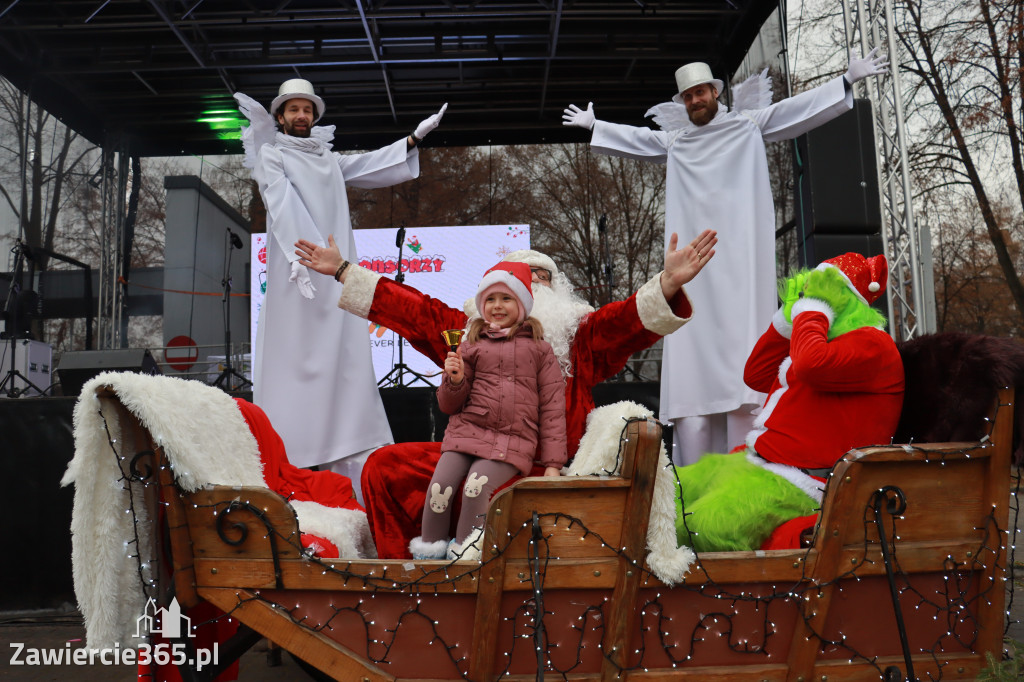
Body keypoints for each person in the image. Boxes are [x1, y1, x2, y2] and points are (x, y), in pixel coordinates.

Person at [295, 229, 717, 558]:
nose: (532, 282)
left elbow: (625, 320)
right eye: (519, 276)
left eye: (542, 277)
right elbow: (413, 310)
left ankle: (462, 559)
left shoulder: (579, 336)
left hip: (548, 469)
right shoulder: (466, 332)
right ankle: (408, 578)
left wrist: (665, 285)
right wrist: (343, 270)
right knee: (386, 466)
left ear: (558, 292)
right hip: (477, 453)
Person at [562, 50, 889, 466]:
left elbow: (798, 110)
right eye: (688, 96)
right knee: (694, 372)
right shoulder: (677, 143)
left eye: (701, 92)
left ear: (715, 92)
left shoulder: (748, 126)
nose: (696, 100)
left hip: (742, 265)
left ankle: (745, 469)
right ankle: (693, 499)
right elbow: (640, 142)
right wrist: (596, 127)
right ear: (683, 102)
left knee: (744, 368)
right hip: (695, 272)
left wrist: (844, 80)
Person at [233, 78, 446, 498]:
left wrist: (412, 139)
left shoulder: (328, 160)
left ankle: (349, 462)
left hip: (335, 275)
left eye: (307, 109)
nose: (301, 116)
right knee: (294, 352)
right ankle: (288, 459)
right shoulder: (272, 155)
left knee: (344, 356)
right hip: (300, 272)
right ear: (279, 117)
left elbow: (367, 166)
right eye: (293, 109)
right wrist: (303, 257)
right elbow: (280, 200)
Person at [674, 253, 905, 552]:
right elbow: (755, 374)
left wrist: (813, 309)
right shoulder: (823, 341)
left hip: (805, 484)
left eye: (821, 288)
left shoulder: (873, 344)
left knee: (696, 528)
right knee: (665, 489)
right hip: (761, 463)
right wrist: (787, 318)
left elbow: (810, 366)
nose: (809, 294)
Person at [410, 261, 567, 560]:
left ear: (522, 303)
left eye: (506, 298)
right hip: (465, 435)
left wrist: (553, 463)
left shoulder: (539, 350)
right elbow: (448, 405)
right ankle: (427, 559)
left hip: (510, 442)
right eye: (491, 299)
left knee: (475, 488)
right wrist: (453, 381)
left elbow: (552, 407)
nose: (497, 306)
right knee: (439, 490)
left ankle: (466, 560)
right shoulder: (470, 345)